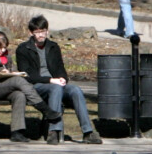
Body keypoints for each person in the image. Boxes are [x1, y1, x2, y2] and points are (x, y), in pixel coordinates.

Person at [15, 15, 102, 145]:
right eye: (37, 32)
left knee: (75, 90)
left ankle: (88, 132)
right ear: (31, 33)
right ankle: (54, 130)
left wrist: (62, 79)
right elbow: (28, 76)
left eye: (43, 31)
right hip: (36, 87)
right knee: (55, 88)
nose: (41, 35)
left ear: (47, 31)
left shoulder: (53, 47)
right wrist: (51, 81)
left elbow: (60, 68)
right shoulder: (23, 49)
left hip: (55, 84)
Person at [0, 30, 58, 143]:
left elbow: (12, 71)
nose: (3, 51)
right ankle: (45, 109)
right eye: (0, 48)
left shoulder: (7, 56)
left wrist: (12, 73)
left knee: (20, 95)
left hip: (4, 87)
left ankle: (17, 132)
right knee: (18, 81)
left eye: (4, 48)